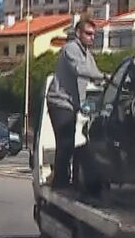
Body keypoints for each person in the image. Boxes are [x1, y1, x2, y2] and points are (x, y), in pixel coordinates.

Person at [45, 16, 105, 188]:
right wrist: (102, 76)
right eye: (88, 33)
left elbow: (95, 73)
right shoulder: (71, 48)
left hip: (71, 104)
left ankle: (63, 179)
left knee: (69, 143)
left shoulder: (88, 55)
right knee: (65, 143)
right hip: (60, 102)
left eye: (94, 35)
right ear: (78, 33)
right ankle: (61, 182)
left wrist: (109, 79)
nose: (92, 37)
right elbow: (80, 69)